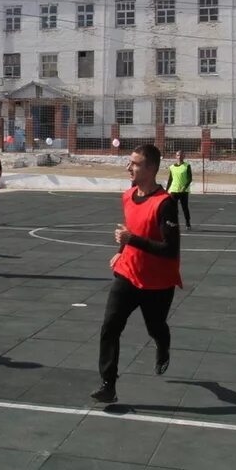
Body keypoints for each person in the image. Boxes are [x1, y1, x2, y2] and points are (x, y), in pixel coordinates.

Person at [92, 144, 182, 403]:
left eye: (135, 164)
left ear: (151, 169)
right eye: (130, 162)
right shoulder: (128, 195)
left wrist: (132, 240)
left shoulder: (165, 204)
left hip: (157, 282)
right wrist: (122, 249)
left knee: (156, 327)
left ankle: (163, 345)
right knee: (110, 327)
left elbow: (170, 249)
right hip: (128, 273)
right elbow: (131, 229)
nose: (128, 167)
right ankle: (108, 383)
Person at [166, 150, 193, 230]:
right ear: (176, 156)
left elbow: (190, 179)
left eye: (181, 155)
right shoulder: (172, 167)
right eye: (178, 155)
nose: (179, 157)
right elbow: (170, 179)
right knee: (173, 208)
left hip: (183, 191)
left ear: (184, 156)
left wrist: (184, 188)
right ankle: (174, 222)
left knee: (185, 208)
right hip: (174, 190)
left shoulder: (187, 166)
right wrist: (166, 190)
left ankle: (188, 223)